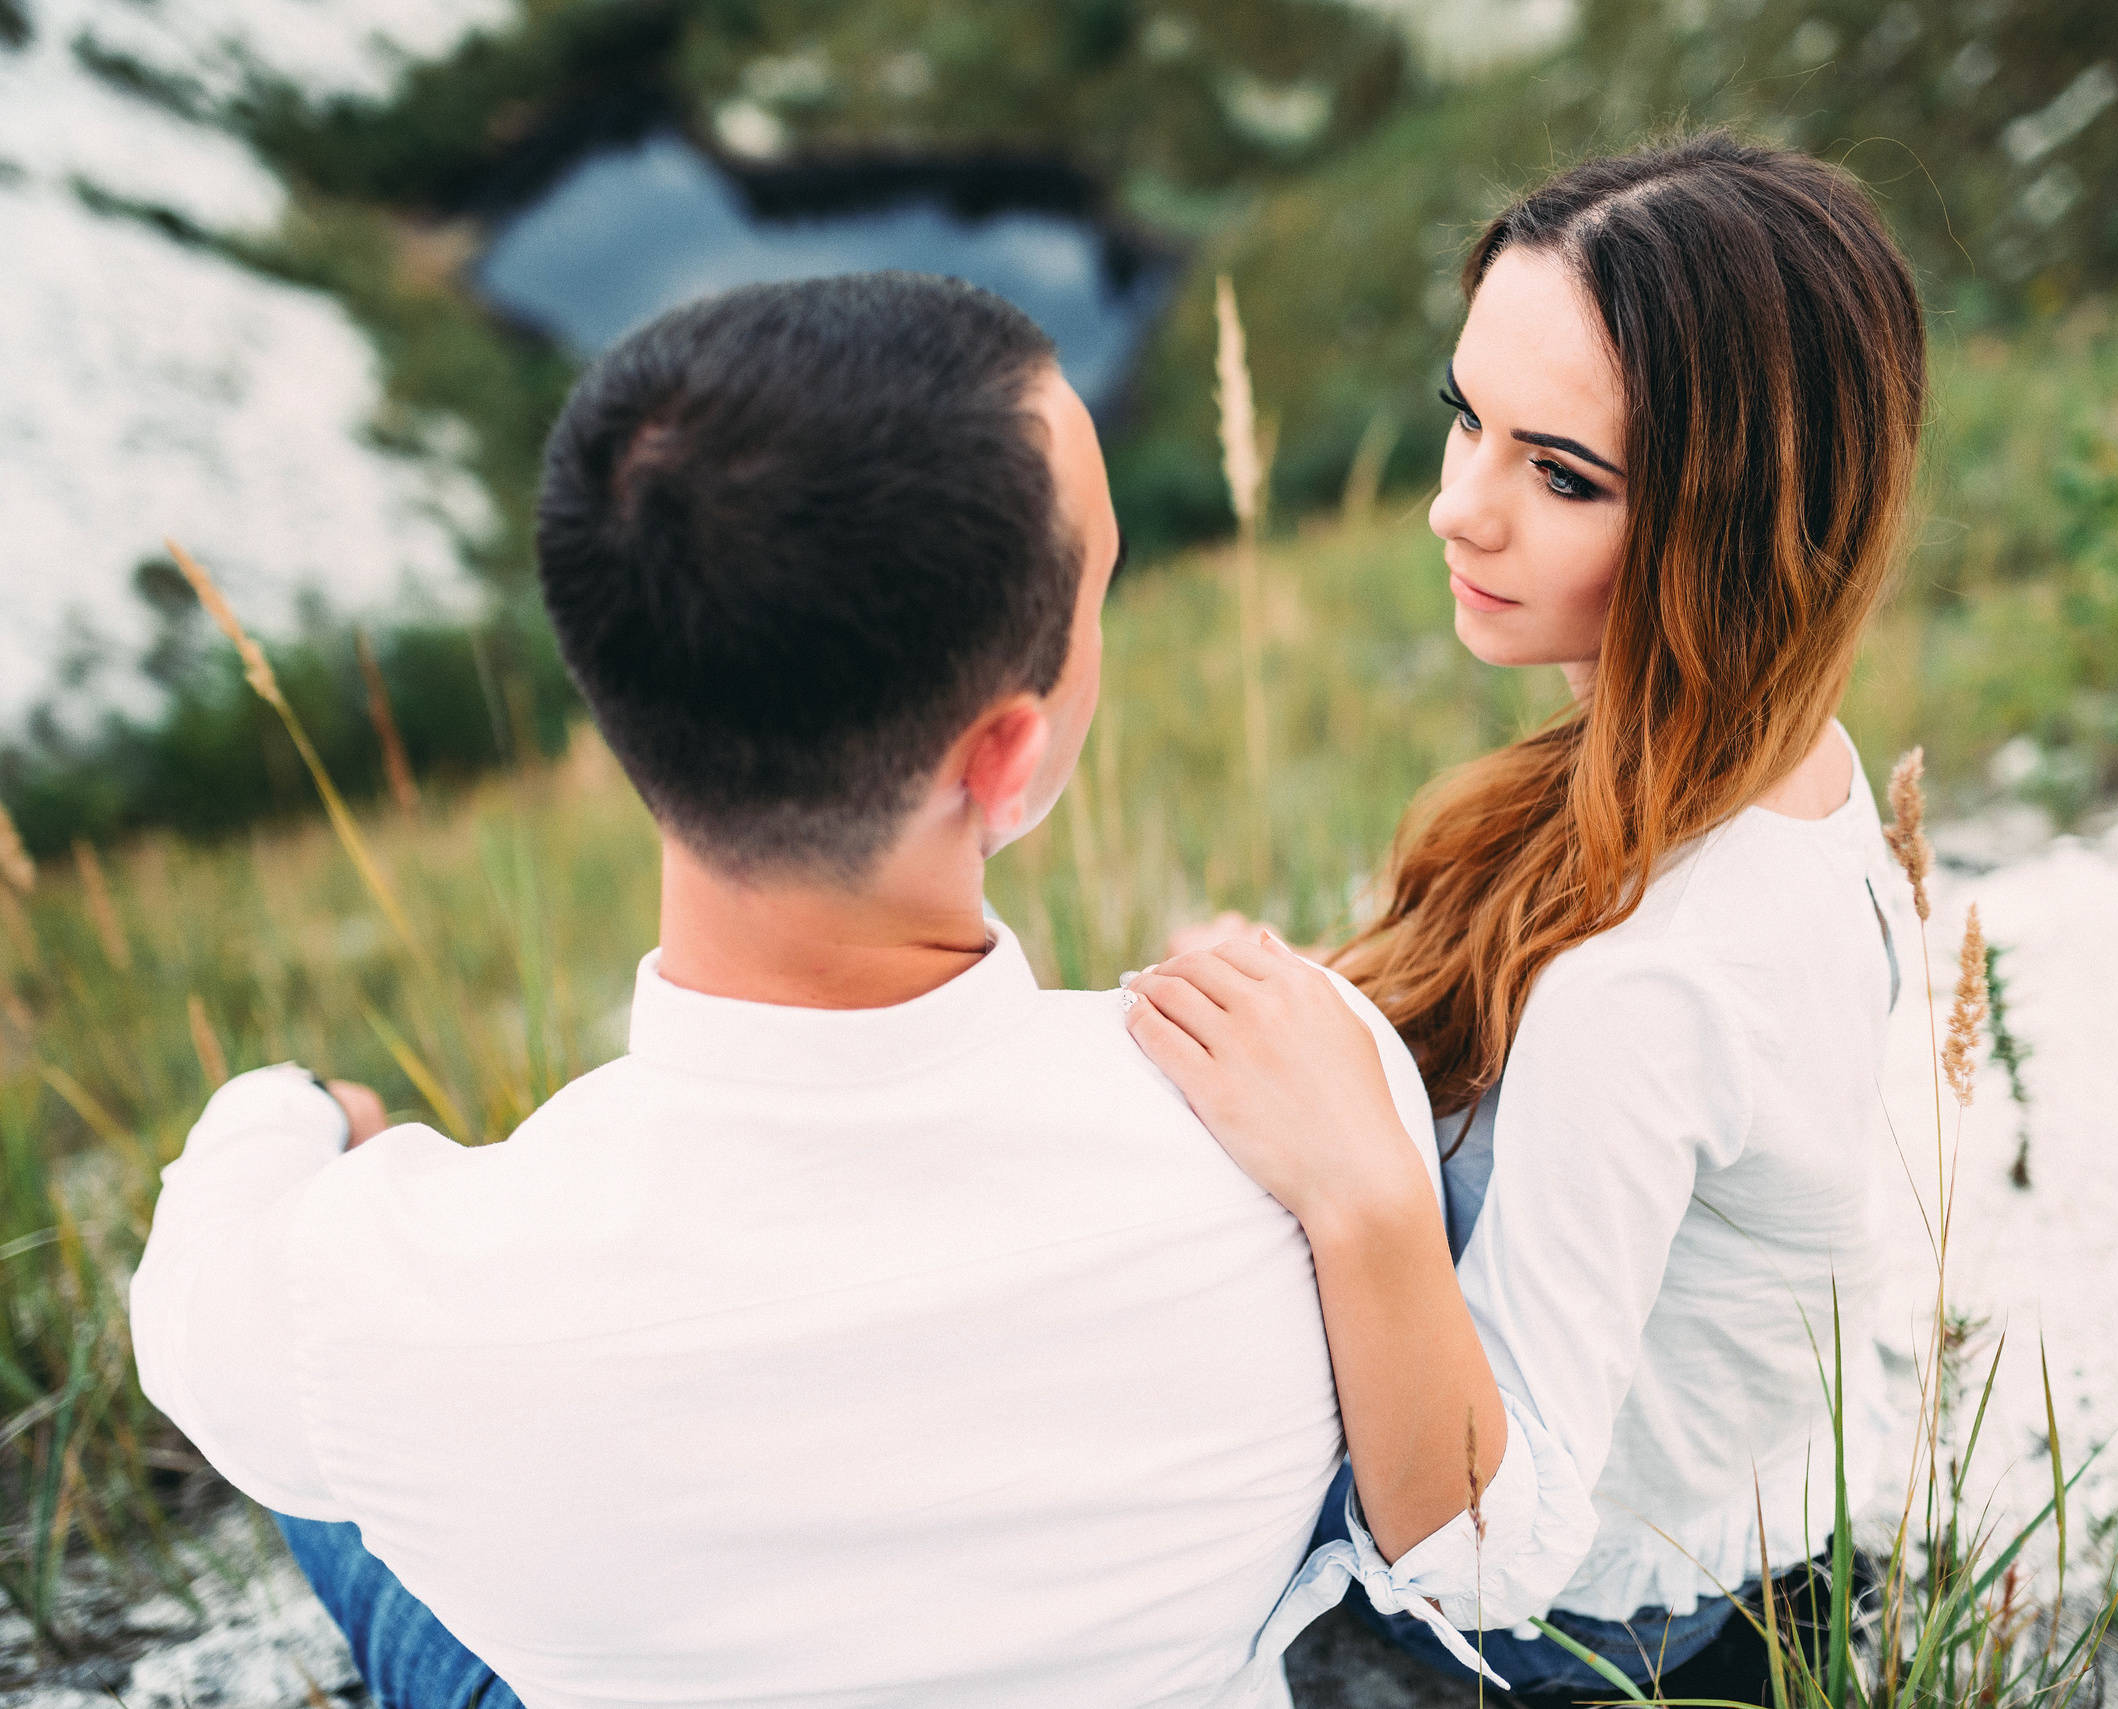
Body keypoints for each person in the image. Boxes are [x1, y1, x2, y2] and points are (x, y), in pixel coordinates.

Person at [129, 272, 1468, 1709]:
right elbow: (1448, 1515)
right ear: (1005, 754)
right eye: (1097, 591)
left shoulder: (385, 1290)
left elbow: (186, 1310)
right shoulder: (1315, 1127)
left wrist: (297, 1111)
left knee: (349, 1478)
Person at [1125, 130, 1927, 1706]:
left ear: (1729, 518)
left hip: (1613, 1639)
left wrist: (1359, 1186)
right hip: (1756, 1524)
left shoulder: (1647, 979)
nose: (1457, 508)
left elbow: (1494, 1554)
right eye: (1465, 418)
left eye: (1561, 475)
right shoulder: (1782, 759)